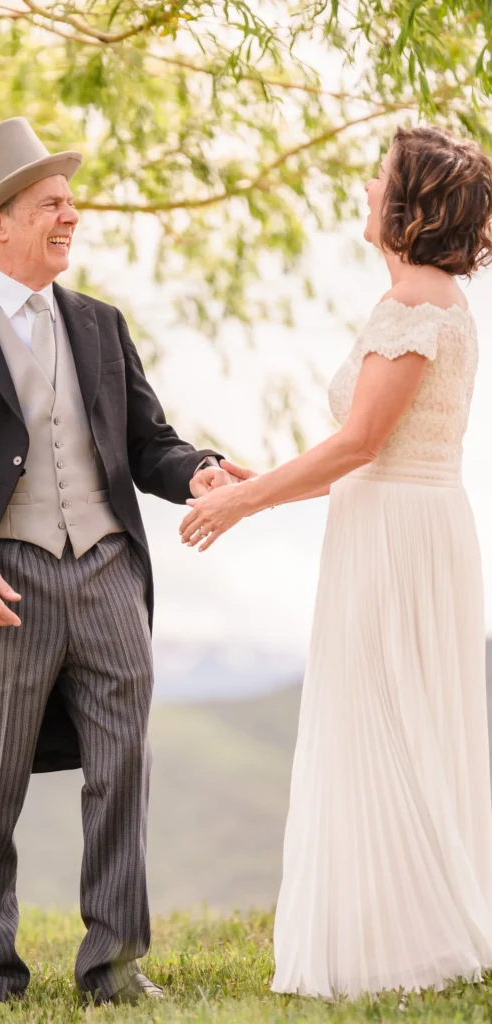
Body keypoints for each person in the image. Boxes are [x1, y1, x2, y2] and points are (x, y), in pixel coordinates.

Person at [0, 117, 230, 1015]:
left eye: (70, 203)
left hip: (107, 571)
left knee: (121, 771)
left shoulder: (100, 324)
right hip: (1, 580)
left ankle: (113, 967)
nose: (70, 216)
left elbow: (147, 443)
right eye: (51, 205)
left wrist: (196, 470)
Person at [180, 124, 492, 997]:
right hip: (409, 522)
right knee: (399, 718)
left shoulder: (411, 305)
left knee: (378, 719)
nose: (364, 188)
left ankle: (400, 943)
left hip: (395, 538)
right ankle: (407, 927)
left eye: (378, 176)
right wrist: (262, 481)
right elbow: (368, 454)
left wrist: (241, 504)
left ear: (410, 205)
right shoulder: (432, 300)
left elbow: (358, 444)